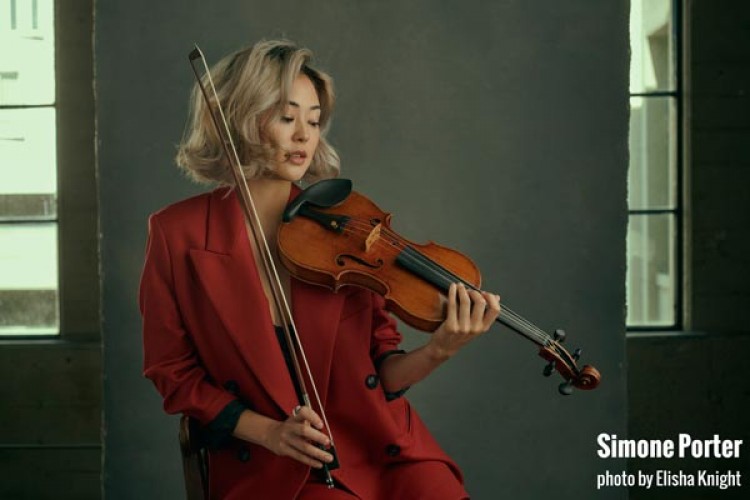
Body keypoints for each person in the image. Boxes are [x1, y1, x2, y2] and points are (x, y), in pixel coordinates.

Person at [139, 39, 501, 499]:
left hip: (379, 447)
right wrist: (270, 433)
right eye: (287, 118)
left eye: (313, 121)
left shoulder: (346, 232)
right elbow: (173, 372)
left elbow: (381, 372)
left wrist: (439, 350)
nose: (304, 136)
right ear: (238, 118)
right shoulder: (177, 234)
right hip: (275, 467)